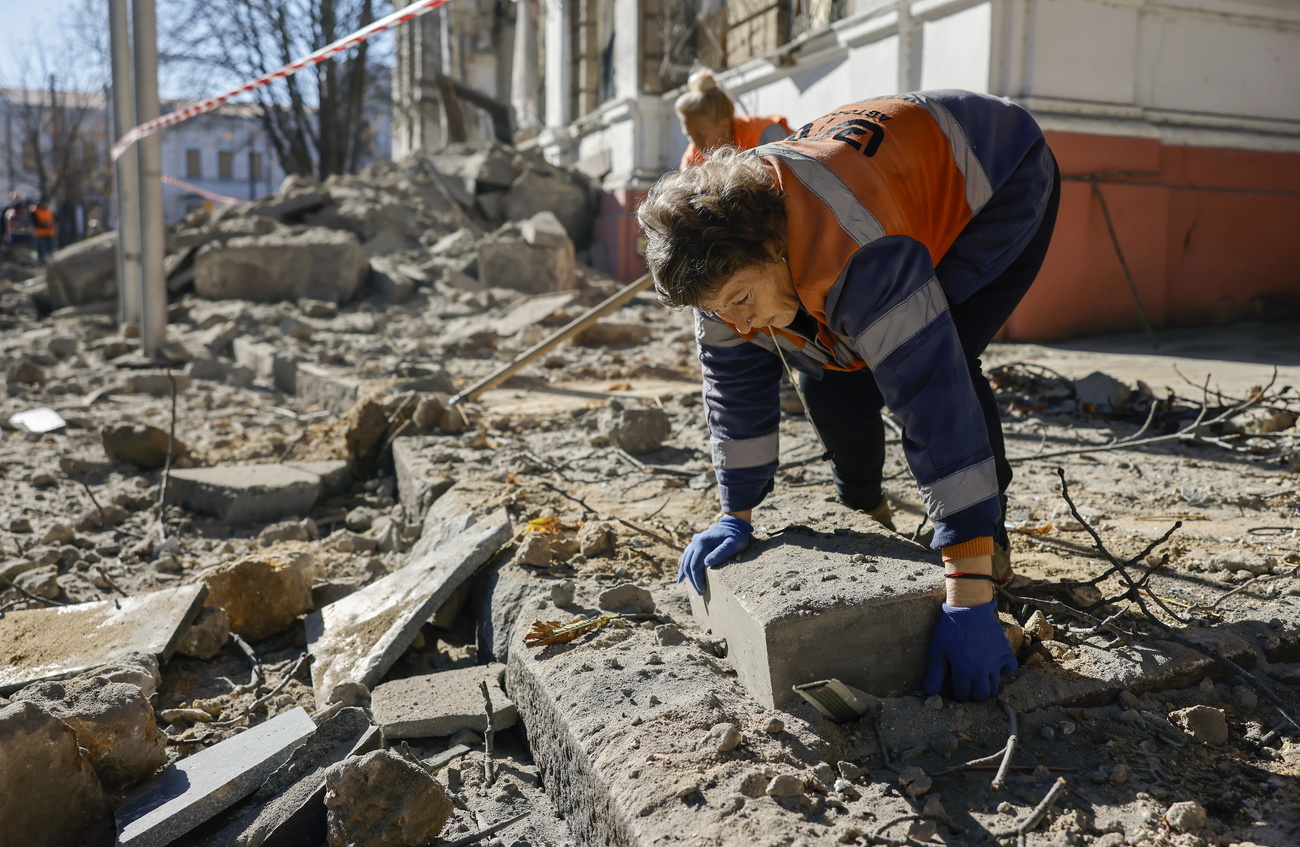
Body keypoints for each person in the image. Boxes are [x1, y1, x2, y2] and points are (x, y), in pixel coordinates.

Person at [638, 89, 1060, 703]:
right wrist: (737, 509)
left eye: (742, 301)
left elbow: (933, 393)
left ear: (775, 248)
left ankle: (986, 546)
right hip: (878, 192)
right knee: (829, 371)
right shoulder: (719, 270)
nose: (741, 324)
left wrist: (968, 594)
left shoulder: (860, 253)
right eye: (720, 310)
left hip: (998, 175)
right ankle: (866, 506)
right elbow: (733, 385)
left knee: (941, 348)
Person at [676, 69, 791, 169]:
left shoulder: (767, 135)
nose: (696, 144)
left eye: (700, 134)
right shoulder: (692, 158)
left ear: (725, 126)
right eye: (689, 136)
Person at [31, 196, 56, 262]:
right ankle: (41, 261)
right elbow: (35, 223)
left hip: (49, 233)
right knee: (41, 250)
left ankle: (51, 261)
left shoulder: (49, 210)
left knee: (50, 249)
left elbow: (54, 220)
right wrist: (46, 226)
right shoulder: (35, 211)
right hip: (40, 233)